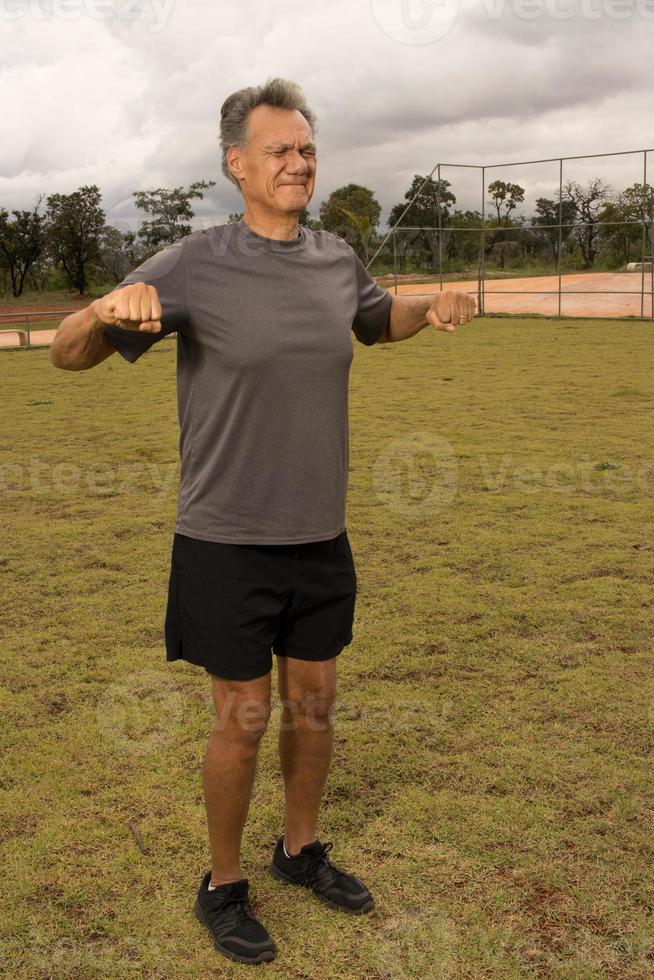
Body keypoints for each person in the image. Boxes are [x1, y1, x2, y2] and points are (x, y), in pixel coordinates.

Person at [50, 77, 476, 966]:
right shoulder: (192, 262)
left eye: (307, 149)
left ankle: (298, 850)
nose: (298, 162)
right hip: (224, 538)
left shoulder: (332, 257)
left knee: (313, 707)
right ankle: (222, 883)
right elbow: (67, 353)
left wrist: (425, 307)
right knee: (242, 718)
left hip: (319, 533)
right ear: (235, 163)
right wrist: (100, 310)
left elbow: (372, 318)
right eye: (279, 149)